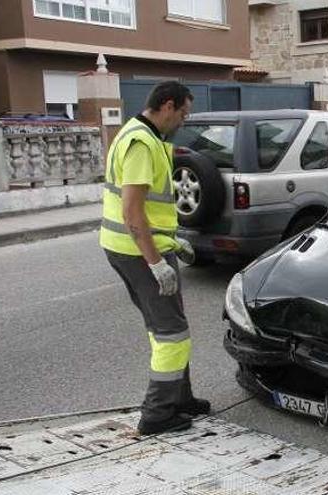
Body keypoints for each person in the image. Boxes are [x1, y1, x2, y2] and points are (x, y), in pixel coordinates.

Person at [100, 81, 209, 435]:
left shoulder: (145, 136)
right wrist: (156, 262)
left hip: (139, 247)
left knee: (167, 324)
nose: (183, 121)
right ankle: (158, 415)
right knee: (172, 332)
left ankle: (180, 398)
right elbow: (133, 212)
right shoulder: (141, 144)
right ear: (167, 106)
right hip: (138, 252)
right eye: (182, 113)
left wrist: (171, 244)